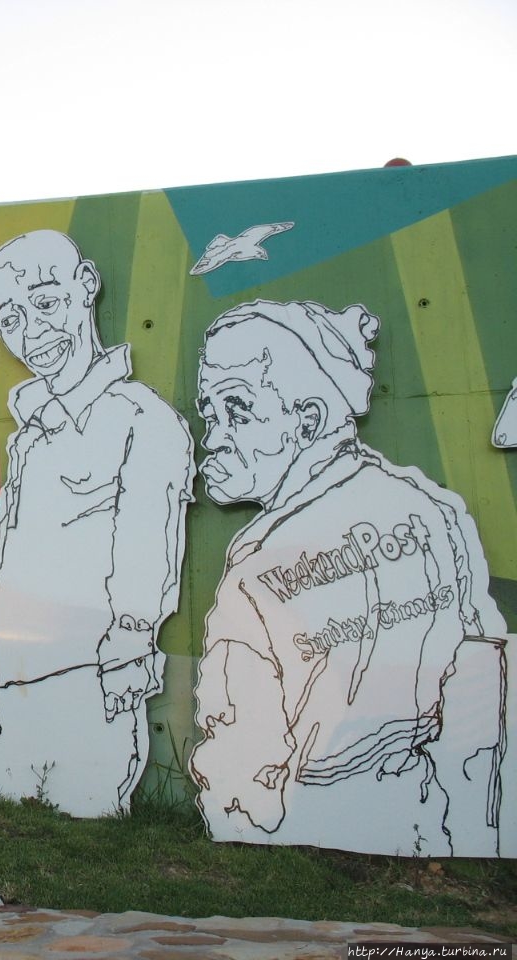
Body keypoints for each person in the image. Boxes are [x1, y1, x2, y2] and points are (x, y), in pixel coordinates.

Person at [189, 299, 507, 856]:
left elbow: (238, 735)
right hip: (431, 814)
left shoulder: (259, 559)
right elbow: (484, 671)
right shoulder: (433, 510)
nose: (212, 437)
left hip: (302, 814)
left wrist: (237, 815)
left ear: (307, 420)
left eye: (237, 411)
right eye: (209, 414)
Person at [0, 229, 194, 817]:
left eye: (45, 302)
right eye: (10, 318)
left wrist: (130, 647)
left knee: (85, 822)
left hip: (88, 679)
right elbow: (5, 548)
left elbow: (150, 547)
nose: (32, 332)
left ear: (86, 285)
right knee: (4, 825)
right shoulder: (32, 434)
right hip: (8, 677)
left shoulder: (143, 420)